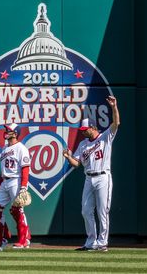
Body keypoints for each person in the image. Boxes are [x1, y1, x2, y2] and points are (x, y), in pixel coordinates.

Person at [63, 96, 120, 252]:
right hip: (89, 178)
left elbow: (116, 123)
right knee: (86, 210)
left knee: (103, 211)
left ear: (93, 127)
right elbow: (76, 164)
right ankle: (91, 241)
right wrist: (68, 157)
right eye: (81, 130)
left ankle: (102, 242)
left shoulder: (105, 137)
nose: (83, 132)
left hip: (103, 176)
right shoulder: (82, 144)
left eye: (84, 130)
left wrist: (114, 107)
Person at [0, 123, 31, 250]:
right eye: (6, 129)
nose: (6, 131)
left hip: (16, 180)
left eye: (9, 130)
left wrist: (23, 187)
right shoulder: (4, 148)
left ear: (15, 133)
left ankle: (24, 240)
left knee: (17, 210)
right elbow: (2, 171)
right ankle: (1, 239)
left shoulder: (21, 148)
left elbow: (25, 168)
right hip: (5, 181)